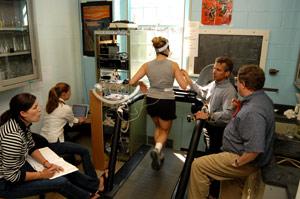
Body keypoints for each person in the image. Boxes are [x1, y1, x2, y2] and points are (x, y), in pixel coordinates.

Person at [188, 65, 275, 199]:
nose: (236, 85)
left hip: (242, 159)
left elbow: (255, 150)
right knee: (230, 190)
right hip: (241, 154)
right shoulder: (261, 99)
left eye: (238, 82)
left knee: (198, 166)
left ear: (244, 84)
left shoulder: (252, 111)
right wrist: (239, 107)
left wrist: (237, 163)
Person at [0, 93, 100, 199]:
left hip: (18, 166)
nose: (39, 109)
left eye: (38, 105)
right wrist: (42, 174)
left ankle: (94, 188)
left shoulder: (22, 123)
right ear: (23, 113)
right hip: (6, 183)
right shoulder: (12, 137)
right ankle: (88, 196)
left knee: (62, 168)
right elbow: (12, 176)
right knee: (61, 182)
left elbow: (31, 147)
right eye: (35, 107)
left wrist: (47, 164)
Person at [129, 36, 188, 170]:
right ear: (166, 49)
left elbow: (132, 82)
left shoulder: (147, 65)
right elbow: (184, 86)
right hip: (166, 101)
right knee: (165, 131)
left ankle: (159, 154)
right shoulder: (173, 65)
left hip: (151, 100)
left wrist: (141, 83)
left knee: (158, 127)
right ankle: (157, 150)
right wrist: (185, 75)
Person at [182, 56, 237, 198]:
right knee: (208, 157)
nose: (214, 71)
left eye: (218, 70)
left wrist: (209, 115)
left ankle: (213, 193)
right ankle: (208, 191)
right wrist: (189, 80)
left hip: (219, 132)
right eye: (214, 68)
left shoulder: (229, 91)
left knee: (212, 162)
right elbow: (203, 92)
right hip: (210, 130)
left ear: (227, 73)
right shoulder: (215, 84)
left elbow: (228, 116)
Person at [40, 82, 105, 191]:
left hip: (44, 141)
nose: (71, 93)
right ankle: (95, 183)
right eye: (69, 91)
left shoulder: (50, 105)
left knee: (69, 144)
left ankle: (73, 176)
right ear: (64, 94)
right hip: (55, 143)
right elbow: (73, 121)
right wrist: (81, 119)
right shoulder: (65, 108)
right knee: (84, 151)